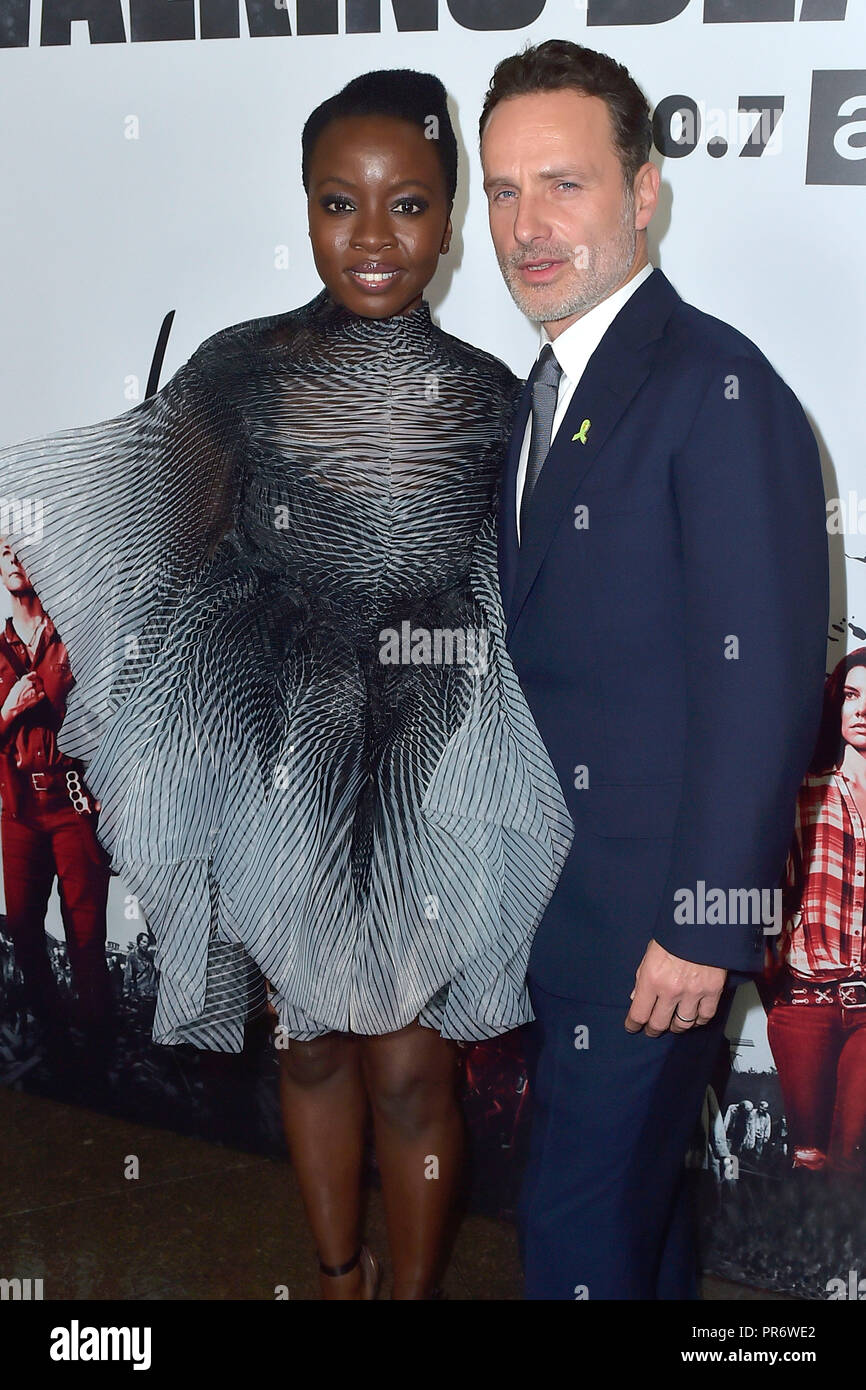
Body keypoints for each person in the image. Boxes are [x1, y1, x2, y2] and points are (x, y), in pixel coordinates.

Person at [0, 70, 572, 1300]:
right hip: (287, 755)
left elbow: (528, 589)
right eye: (338, 202)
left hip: (434, 756)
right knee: (309, 1044)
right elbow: (162, 547)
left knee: (414, 1067)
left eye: (408, 204)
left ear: (451, 218)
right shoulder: (239, 370)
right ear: (304, 209)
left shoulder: (492, 394)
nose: (373, 236)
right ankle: (335, 1276)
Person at [479, 39, 828, 1299]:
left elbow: (768, 684)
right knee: (630, 1225)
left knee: (574, 1240)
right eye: (503, 191)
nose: (527, 225)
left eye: (562, 185)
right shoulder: (551, 384)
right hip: (571, 916)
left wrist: (700, 925)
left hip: (653, 935)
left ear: (642, 192)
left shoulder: (716, 387)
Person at [0, 540, 112, 1053]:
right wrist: (9, 709)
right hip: (17, 808)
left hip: (72, 803)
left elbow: (113, 720)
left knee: (86, 935)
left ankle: (97, 1052)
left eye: (21, 550)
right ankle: (52, 1043)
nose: (14, 560)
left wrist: (107, 794)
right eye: (3, 552)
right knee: (24, 930)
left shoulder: (78, 636)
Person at [766, 648, 866, 1175]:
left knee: (853, 1156)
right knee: (809, 1157)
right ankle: (803, 1258)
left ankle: (845, 1259)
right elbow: (767, 886)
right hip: (804, 1002)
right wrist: (771, 973)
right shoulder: (804, 788)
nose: (862, 709)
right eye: (852, 695)